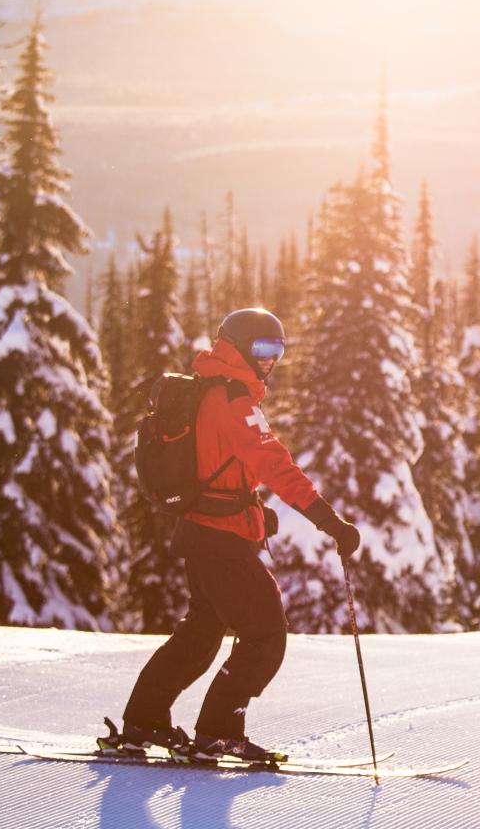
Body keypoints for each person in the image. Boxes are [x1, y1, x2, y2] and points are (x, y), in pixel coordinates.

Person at [102, 307, 362, 763]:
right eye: (262, 349)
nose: (271, 360)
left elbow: (221, 468)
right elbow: (274, 464)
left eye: (278, 351)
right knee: (265, 635)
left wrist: (255, 513)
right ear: (239, 346)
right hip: (217, 541)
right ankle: (217, 732)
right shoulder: (234, 400)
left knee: (200, 634)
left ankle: (144, 720)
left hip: (203, 534)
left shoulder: (212, 389)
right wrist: (330, 521)